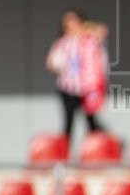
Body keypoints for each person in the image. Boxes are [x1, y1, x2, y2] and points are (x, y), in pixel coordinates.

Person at [46, 9, 109, 146]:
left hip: (87, 88)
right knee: (68, 122)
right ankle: (64, 154)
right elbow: (52, 63)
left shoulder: (89, 40)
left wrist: (86, 28)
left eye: (73, 21)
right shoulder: (62, 43)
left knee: (91, 121)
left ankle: (98, 149)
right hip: (68, 88)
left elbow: (102, 30)